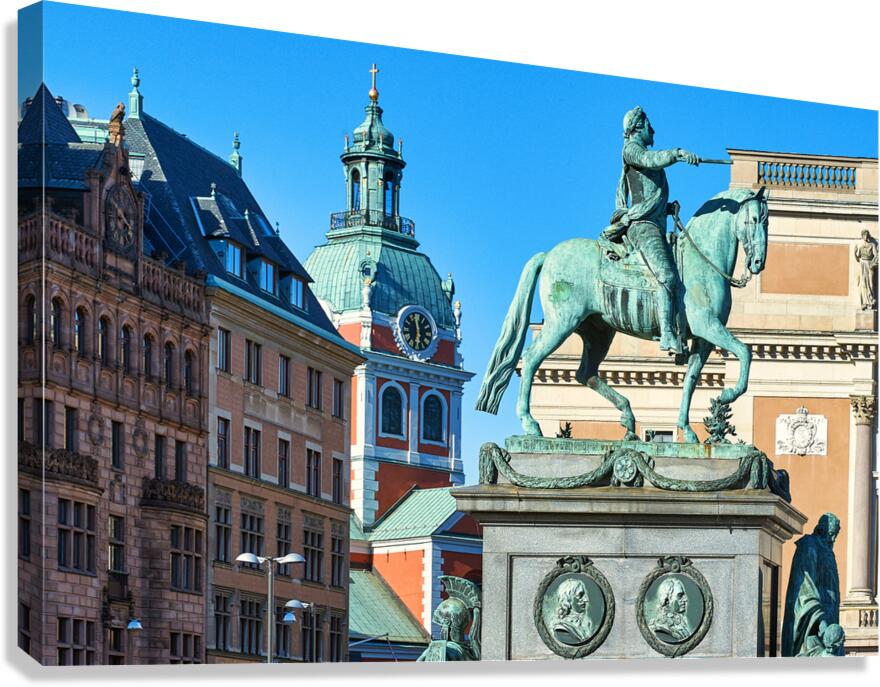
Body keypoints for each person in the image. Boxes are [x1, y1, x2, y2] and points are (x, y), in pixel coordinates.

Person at [601, 106, 699, 355]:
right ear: (636, 128)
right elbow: (651, 160)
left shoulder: (639, 150)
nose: (652, 129)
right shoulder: (632, 150)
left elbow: (646, 196)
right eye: (647, 125)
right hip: (643, 228)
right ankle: (667, 334)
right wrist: (677, 153)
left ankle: (680, 331)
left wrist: (666, 208)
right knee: (666, 276)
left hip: (654, 224)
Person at [781, 513, 844, 656]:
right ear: (821, 530)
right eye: (831, 534)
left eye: (836, 534)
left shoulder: (827, 550)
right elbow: (806, 588)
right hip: (811, 624)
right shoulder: (809, 545)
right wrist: (822, 625)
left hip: (829, 618)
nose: (833, 539)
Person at [648, 576, 693, 642]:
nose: (685, 599)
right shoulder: (661, 627)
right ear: (667, 600)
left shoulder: (680, 624)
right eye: (680, 595)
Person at [552, 578, 594, 644]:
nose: (586, 599)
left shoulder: (586, 622)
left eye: (584, 595)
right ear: (567, 599)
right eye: (580, 595)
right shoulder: (561, 629)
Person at [854, 228, 877, 310]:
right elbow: (857, 258)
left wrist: (873, 263)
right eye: (864, 235)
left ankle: (871, 301)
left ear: (868, 236)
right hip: (862, 263)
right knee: (863, 283)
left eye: (866, 235)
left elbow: (876, 256)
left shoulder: (872, 245)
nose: (865, 236)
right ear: (862, 236)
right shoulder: (860, 245)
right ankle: (864, 302)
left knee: (870, 283)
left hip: (869, 264)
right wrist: (855, 252)